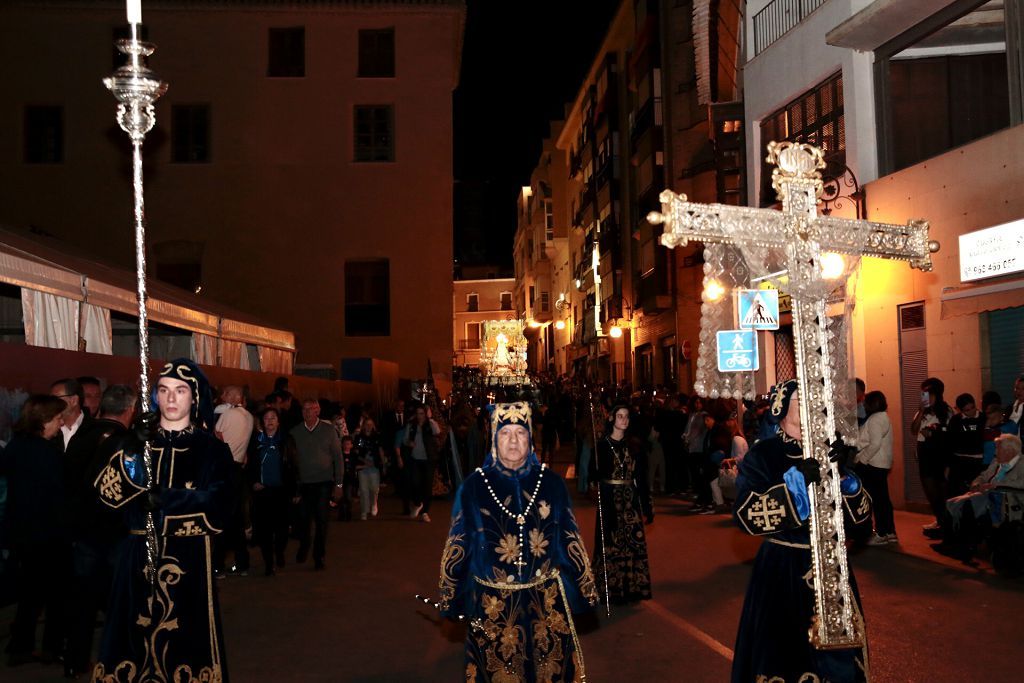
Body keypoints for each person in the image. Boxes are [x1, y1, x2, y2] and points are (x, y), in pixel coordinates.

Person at [92, 358, 233, 682]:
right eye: (164, 390)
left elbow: (220, 508)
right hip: (136, 557)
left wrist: (166, 500)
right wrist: (130, 450)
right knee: (131, 637)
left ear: (194, 398)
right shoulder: (138, 443)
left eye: (180, 391)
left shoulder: (210, 449)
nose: (171, 399)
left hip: (188, 559)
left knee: (184, 641)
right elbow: (106, 496)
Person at [437, 401, 598, 682]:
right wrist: (452, 597)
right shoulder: (474, 487)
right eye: (505, 432)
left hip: (545, 604)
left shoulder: (552, 484)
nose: (513, 440)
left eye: (520, 433)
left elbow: (570, 539)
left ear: (531, 438)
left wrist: (583, 590)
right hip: (494, 607)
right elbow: (459, 545)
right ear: (493, 438)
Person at [732, 379, 871, 683]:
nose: (811, 406)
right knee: (787, 657)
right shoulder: (764, 454)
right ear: (781, 408)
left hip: (832, 569)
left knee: (841, 662)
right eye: (801, 401)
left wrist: (846, 479)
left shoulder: (830, 450)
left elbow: (862, 520)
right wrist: (792, 487)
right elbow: (744, 515)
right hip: (784, 570)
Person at [64, 385, 136, 678]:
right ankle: (123, 659)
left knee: (83, 604)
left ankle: (75, 662)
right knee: (120, 602)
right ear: (130, 410)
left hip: (82, 532)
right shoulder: (125, 443)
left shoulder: (81, 438)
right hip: (114, 536)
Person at [0, 395, 67, 667]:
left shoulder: (15, 447)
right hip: (48, 534)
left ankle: (19, 647)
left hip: (21, 532)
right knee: (54, 596)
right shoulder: (48, 452)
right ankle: (51, 648)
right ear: (44, 420)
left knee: (28, 594)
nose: (61, 423)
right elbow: (57, 496)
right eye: (58, 418)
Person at [590, 403, 652, 604]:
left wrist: (647, 507)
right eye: (620, 416)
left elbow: (641, 479)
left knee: (631, 542)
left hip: (629, 498)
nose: (623, 420)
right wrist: (596, 475)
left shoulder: (634, 446)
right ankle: (609, 588)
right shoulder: (601, 445)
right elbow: (592, 474)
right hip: (609, 498)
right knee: (610, 541)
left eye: (626, 417)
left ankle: (632, 587)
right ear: (612, 419)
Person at [288, 399, 343, 570]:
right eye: (304, 409)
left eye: (311, 409)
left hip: (324, 483)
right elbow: (291, 461)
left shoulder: (328, 431)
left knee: (321, 521)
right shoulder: (295, 432)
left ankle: (319, 556)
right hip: (304, 483)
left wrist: (339, 484)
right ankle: (305, 545)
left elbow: (338, 457)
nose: (307, 412)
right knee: (304, 520)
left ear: (318, 411)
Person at [248, 408, 294, 576]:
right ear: (262, 422)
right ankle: (269, 563)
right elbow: (250, 465)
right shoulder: (255, 441)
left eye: (273, 418)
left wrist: (294, 489)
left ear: (278, 421)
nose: (270, 421)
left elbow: (293, 465)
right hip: (262, 492)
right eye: (266, 418)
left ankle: (280, 551)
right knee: (265, 529)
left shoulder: (286, 440)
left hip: (281, 491)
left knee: (282, 529)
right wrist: (253, 482)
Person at [214, 385, 254, 577]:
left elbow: (217, 435)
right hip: (238, 469)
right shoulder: (249, 417)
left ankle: (218, 565)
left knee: (220, 518)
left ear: (234, 396)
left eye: (225, 393)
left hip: (224, 469)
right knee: (237, 518)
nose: (222, 396)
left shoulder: (229, 415)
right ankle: (242, 563)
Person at [855, 390, 897, 546]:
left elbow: (875, 444)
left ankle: (882, 532)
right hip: (881, 463)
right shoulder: (882, 417)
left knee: (876, 500)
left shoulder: (875, 419)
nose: (863, 404)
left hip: (874, 464)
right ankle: (889, 531)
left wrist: (862, 461)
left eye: (865, 402)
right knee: (883, 499)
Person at [912, 377, 952, 536]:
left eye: (927, 393)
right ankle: (940, 520)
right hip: (924, 451)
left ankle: (945, 523)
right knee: (929, 489)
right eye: (923, 394)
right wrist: (921, 411)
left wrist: (934, 432)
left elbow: (950, 434)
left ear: (936, 394)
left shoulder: (946, 411)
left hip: (939, 452)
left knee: (940, 490)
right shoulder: (923, 411)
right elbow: (913, 430)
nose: (924, 397)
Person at [403, 404, 440, 523]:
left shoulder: (430, 424)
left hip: (428, 459)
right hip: (415, 459)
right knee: (415, 483)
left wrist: (431, 419)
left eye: (422, 413)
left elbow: (437, 431)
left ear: (426, 414)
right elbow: (405, 440)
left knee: (427, 486)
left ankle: (425, 512)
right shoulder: (411, 425)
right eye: (418, 413)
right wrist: (409, 443)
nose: (420, 416)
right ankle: (418, 503)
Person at [948, 393, 986, 497]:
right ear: (960, 410)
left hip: (978, 461)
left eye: (973, 407)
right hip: (959, 462)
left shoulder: (983, 418)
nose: (972, 412)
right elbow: (951, 442)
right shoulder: (955, 420)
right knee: (958, 494)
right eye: (967, 410)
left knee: (976, 494)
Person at [355, 417, 384, 520]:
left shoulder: (377, 436)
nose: (369, 426)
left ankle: (374, 503)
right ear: (364, 425)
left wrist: (383, 462)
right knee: (363, 489)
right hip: (363, 465)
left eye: (371, 424)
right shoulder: (359, 437)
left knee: (374, 488)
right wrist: (364, 460)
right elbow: (356, 452)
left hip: (374, 465)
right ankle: (364, 510)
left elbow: (380, 450)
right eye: (367, 424)